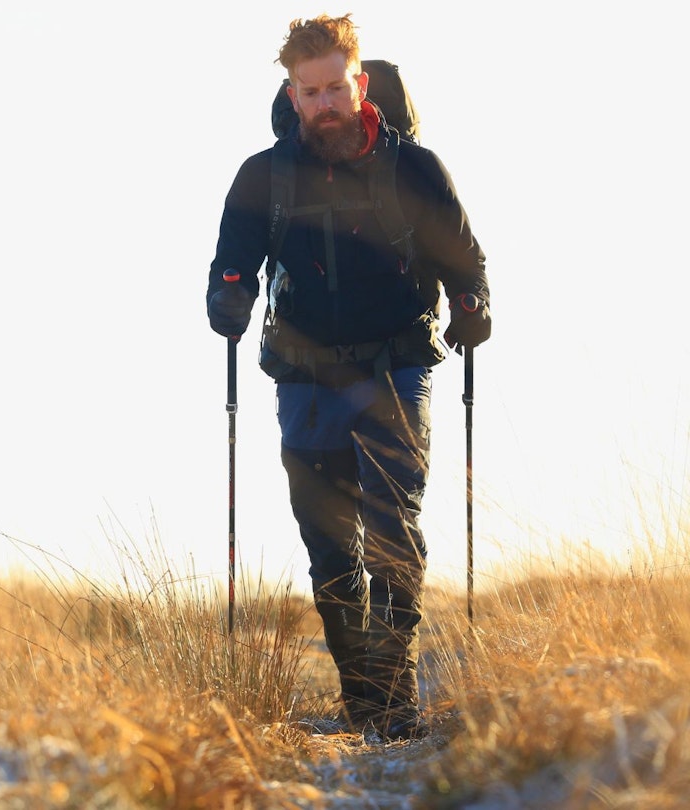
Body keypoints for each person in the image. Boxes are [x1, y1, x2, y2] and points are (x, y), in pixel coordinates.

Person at [205, 13, 491, 741]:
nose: (327, 102)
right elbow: (230, 262)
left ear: (360, 84)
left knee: (396, 531)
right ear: (292, 95)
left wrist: (472, 307)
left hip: (398, 367)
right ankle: (363, 693)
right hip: (305, 382)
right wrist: (228, 297)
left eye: (338, 87)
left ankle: (395, 698)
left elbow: (464, 258)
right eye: (312, 92)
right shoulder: (262, 177)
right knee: (329, 546)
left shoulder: (414, 169)